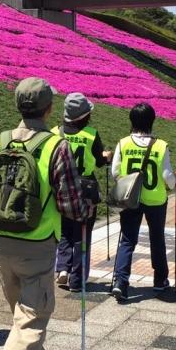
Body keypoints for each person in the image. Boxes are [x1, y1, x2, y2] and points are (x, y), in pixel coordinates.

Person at [0, 77, 84, 350]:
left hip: (0, 242)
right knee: (30, 322)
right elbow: (71, 205)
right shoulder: (56, 146)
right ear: (49, 109)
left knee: (24, 318)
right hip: (38, 243)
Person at [111, 103, 176, 300]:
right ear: (152, 121)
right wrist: (175, 180)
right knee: (157, 238)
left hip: (130, 198)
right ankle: (160, 281)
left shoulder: (123, 143)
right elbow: (168, 178)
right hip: (156, 199)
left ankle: (120, 281)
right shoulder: (161, 145)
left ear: (131, 121)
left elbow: (115, 172)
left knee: (127, 239)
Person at [53, 93, 112, 292]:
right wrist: (106, 156)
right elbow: (98, 161)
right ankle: (77, 280)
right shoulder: (91, 134)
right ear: (84, 115)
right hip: (85, 190)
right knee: (82, 234)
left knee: (64, 231)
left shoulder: (55, 132)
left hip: (61, 188)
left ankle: (62, 268)